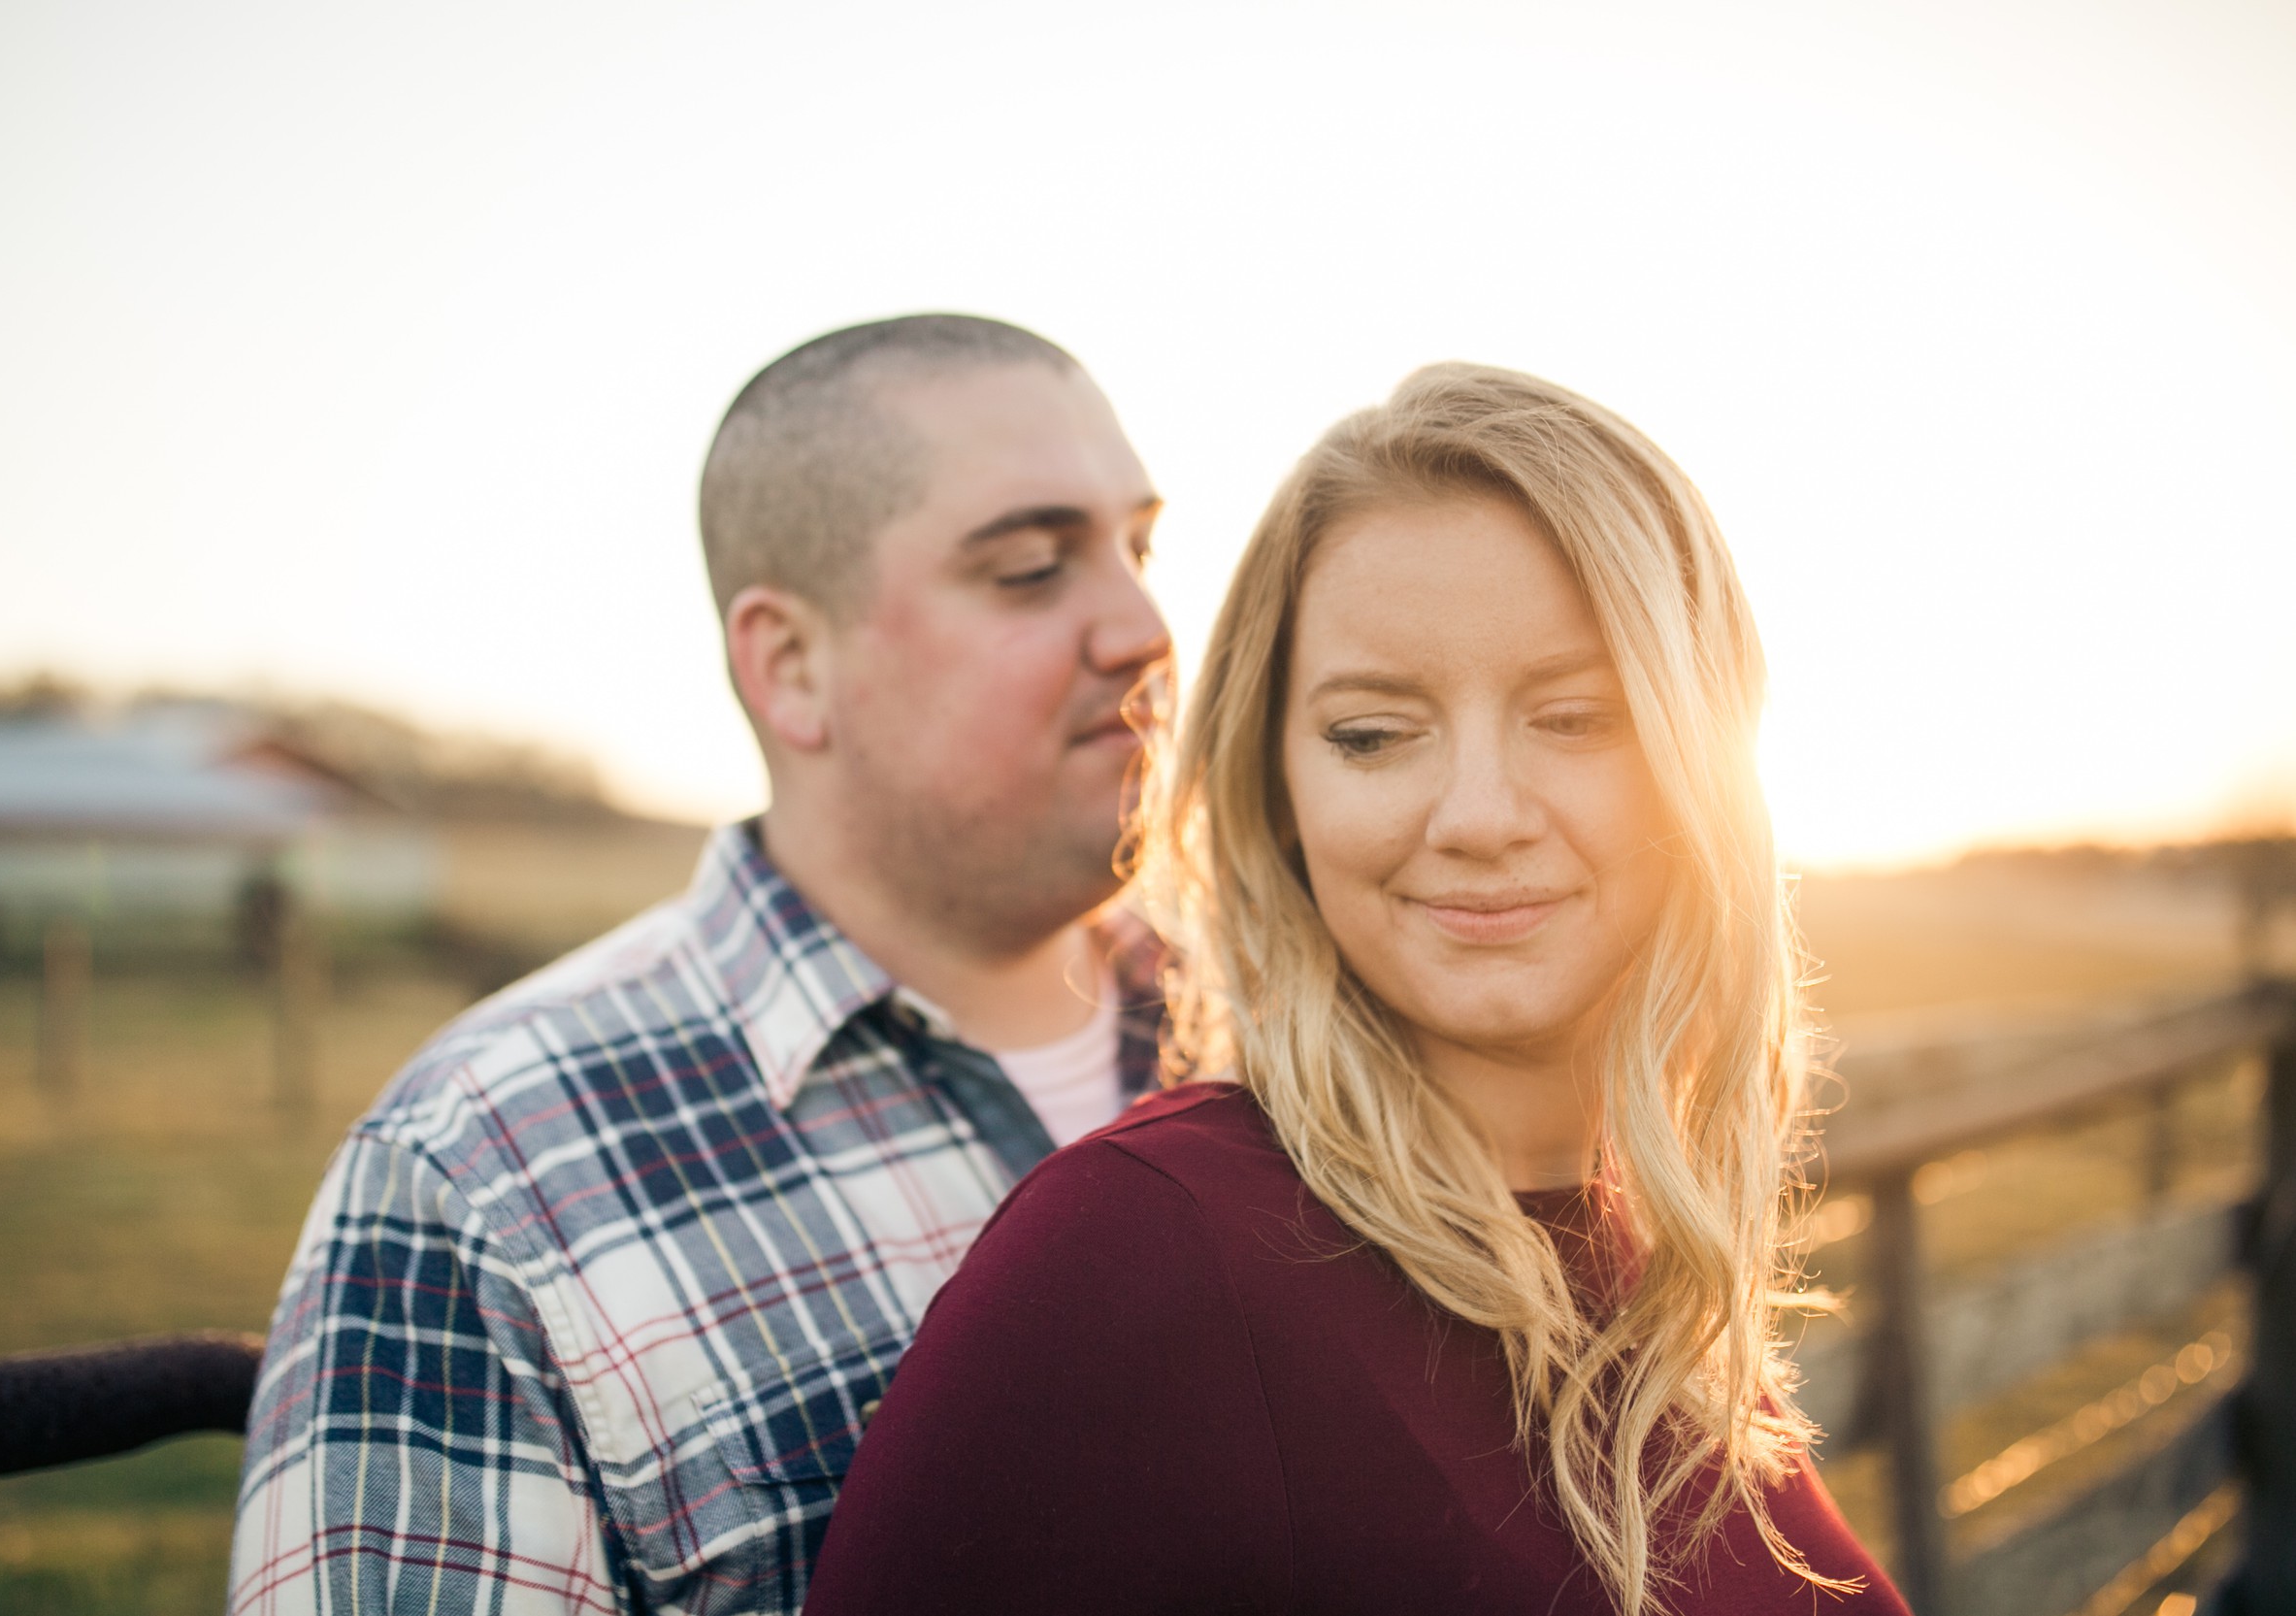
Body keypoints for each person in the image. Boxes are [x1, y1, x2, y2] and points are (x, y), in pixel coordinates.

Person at [804, 365, 1910, 1615]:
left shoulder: (1647, 1258)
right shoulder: (1133, 1259)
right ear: (1277, 788)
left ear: (1709, 762)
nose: (1480, 816)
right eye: (1373, 735)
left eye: (1577, 716)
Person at [226, 314, 1172, 1615]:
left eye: (1141, 546)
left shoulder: (1314, 1030)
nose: (1145, 625)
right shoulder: (486, 1175)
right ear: (792, 666)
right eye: (1027, 568)